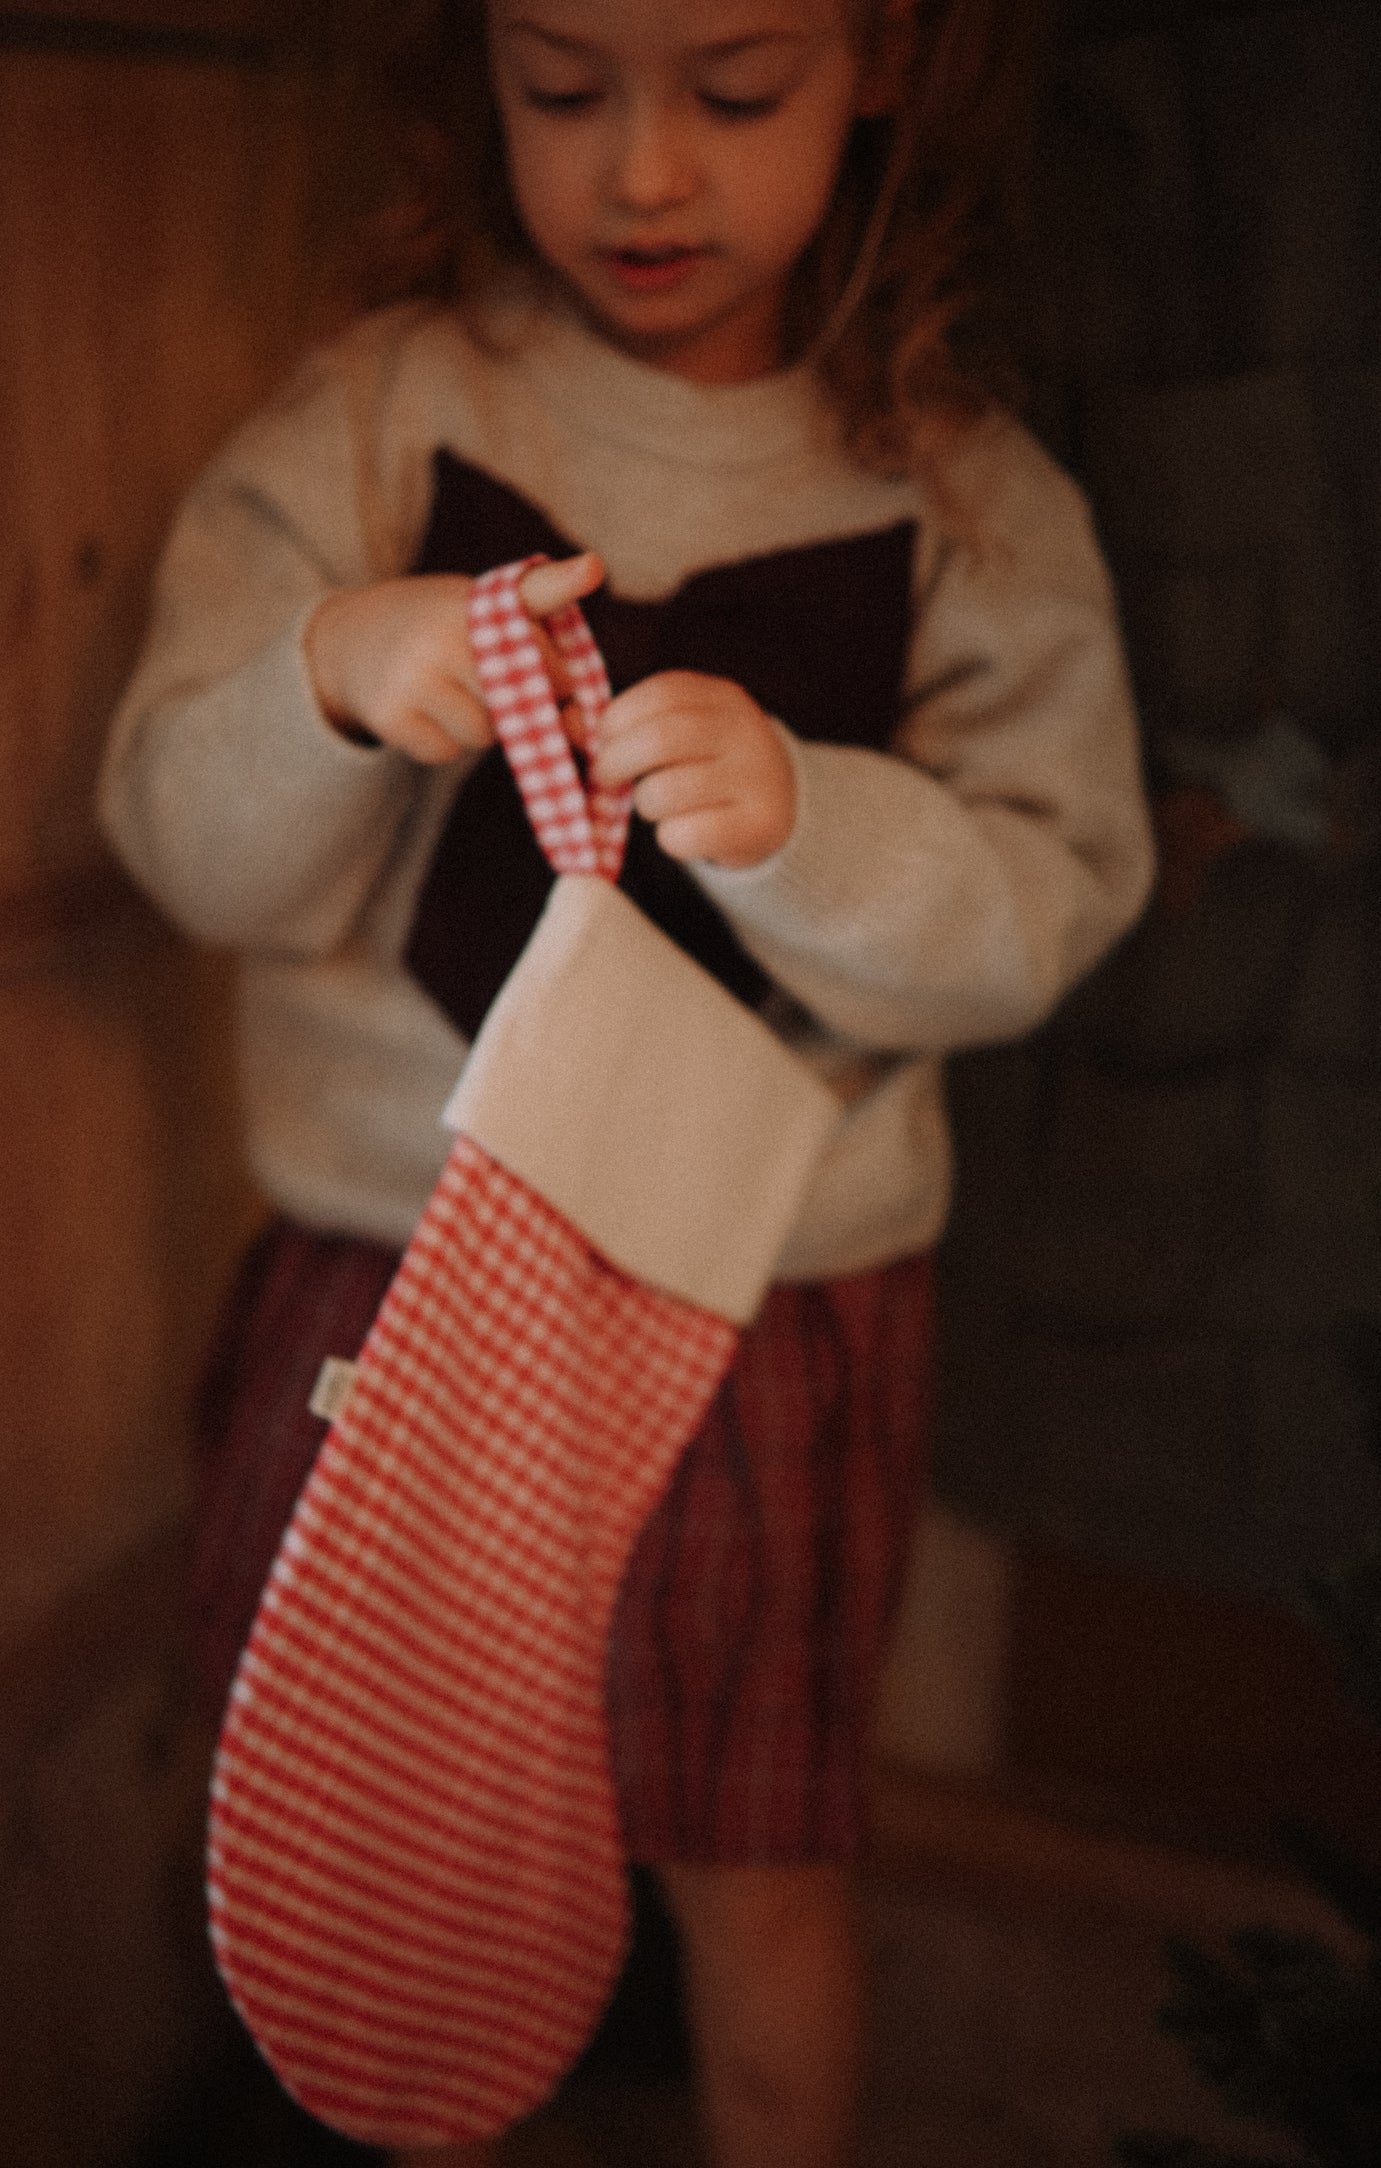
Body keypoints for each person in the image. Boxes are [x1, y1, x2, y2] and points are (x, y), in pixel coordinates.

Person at [99, 0, 1154, 2162]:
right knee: (365, 1841)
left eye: (731, 89)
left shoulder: (962, 490)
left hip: (761, 1307)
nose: (641, 170)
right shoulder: (384, 414)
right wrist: (322, 673)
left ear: (881, 61)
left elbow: (1052, 904)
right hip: (401, 1267)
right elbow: (176, 843)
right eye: (562, 88)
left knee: (752, 1861)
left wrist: (813, 829)